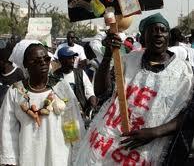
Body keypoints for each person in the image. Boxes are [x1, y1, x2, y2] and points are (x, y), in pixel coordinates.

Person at [75, 13, 193, 165]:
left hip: (151, 151)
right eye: (152, 30)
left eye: (162, 30)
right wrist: (107, 55)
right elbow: (102, 92)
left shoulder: (186, 73)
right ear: (143, 37)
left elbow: (190, 116)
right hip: (110, 148)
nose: (158, 34)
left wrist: (154, 132)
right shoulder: (127, 61)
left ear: (168, 37)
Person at [0, 42, 85, 166]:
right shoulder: (15, 91)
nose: (43, 63)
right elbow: (7, 130)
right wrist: (10, 161)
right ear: (26, 64)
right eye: (36, 60)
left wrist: (77, 156)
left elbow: (72, 123)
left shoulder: (61, 87)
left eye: (46, 59)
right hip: (28, 158)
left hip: (60, 158)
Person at [53, 46, 97, 118]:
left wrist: (92, 101)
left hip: (81, 112)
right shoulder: (55, 76)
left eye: (74, 58)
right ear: (61, 60)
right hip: (64, 114)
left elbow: (88, 90)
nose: (73, 60)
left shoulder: (80, 72)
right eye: (70, 58)